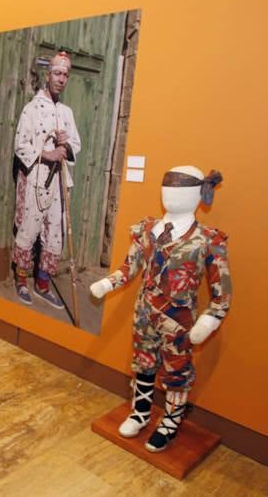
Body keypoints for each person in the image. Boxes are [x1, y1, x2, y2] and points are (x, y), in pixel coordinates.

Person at [90, 166, 230, 453]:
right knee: (143, 364)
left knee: (177, 372)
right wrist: (107, 283)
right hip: (144, 315)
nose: (170, 195)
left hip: (179, 322)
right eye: (167, 188)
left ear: (195, 194)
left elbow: (222, 292)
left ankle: (170, 421)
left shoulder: (207, 240)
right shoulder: (147, 229)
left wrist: (210, 319)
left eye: (178, 190)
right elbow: (129, 268)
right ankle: (140, 412)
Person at [11, 51, 81, 309]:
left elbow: (76, 144)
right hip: (36, 178)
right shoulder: (31, 109)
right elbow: (21, 145)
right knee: (29, 228)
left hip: (60, 182)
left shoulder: (67, 113)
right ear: (48, 74)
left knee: (55, 233)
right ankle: (21, 280)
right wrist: (48, 153)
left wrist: (67, 146)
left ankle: (42, 283)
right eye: (57, 73)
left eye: (66, 75)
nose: (61, 79)